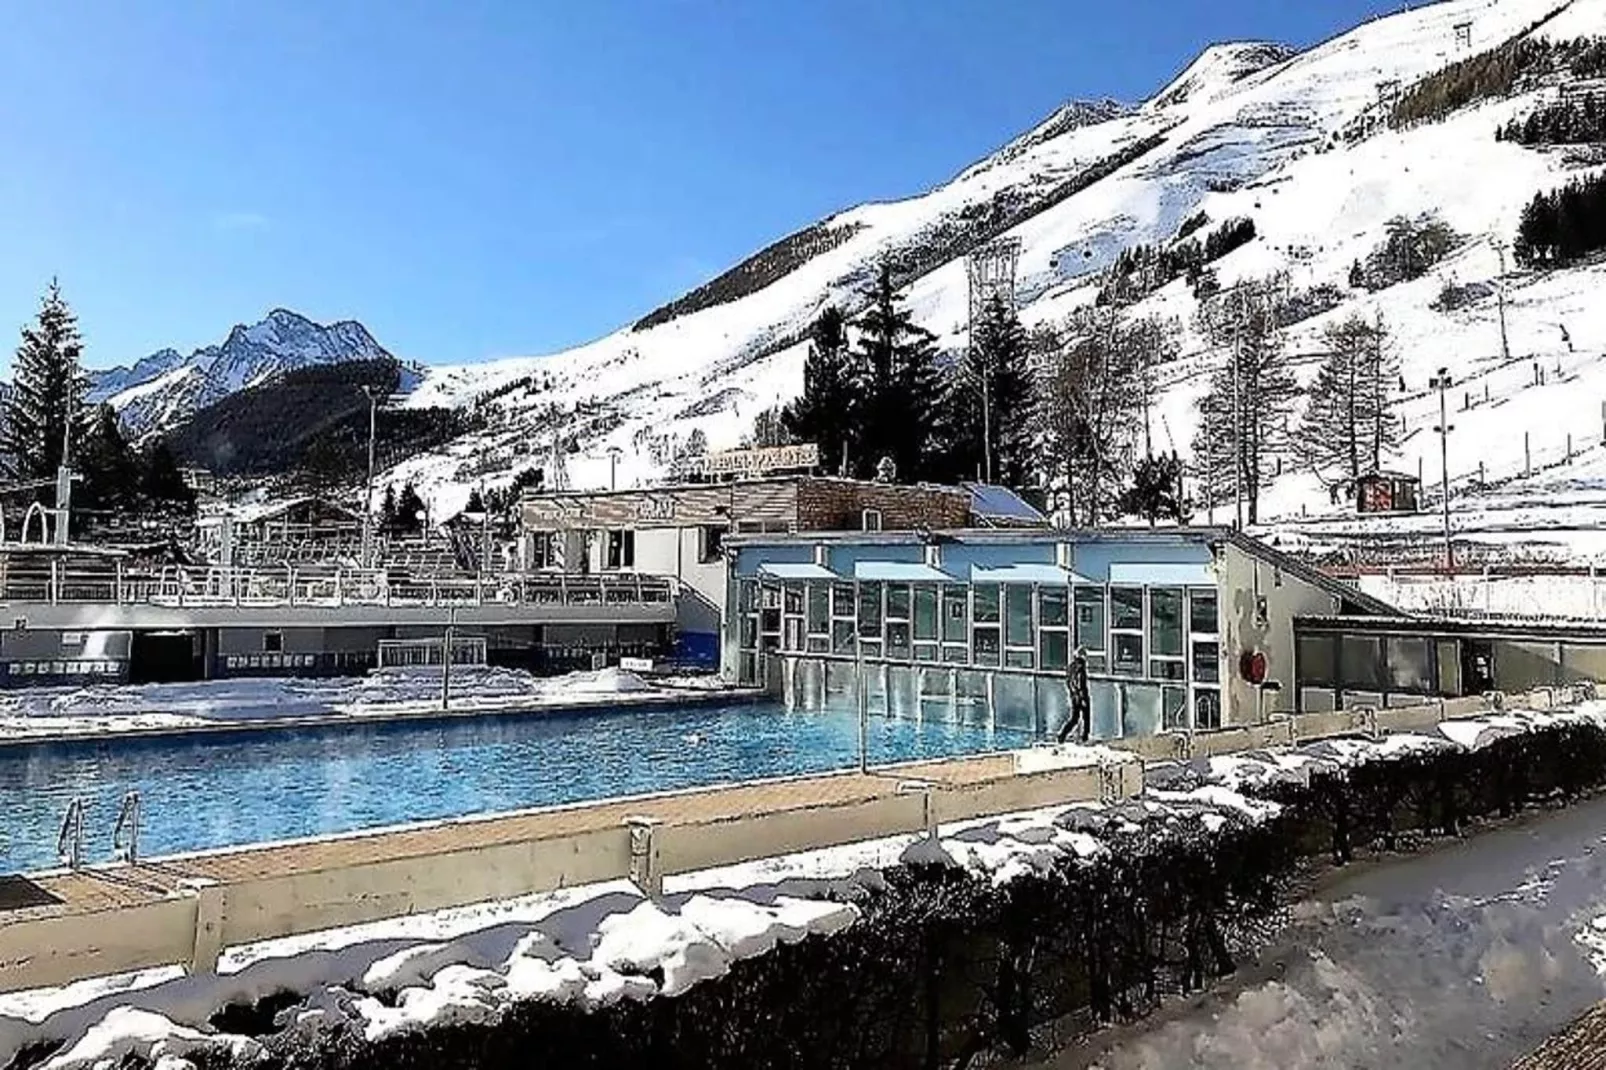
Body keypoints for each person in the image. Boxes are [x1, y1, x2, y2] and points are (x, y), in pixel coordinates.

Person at [1057, 645, 1091, 745]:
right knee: (1086, 717)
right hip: (1081, 696)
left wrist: (1073, 694)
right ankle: (1085, 737)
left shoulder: (1071, 666)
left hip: (1073, 696)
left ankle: (1062, 735)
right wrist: (1082, 697)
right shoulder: (1081, 667)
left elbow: (1068, 681)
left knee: (1074, 718)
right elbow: (1080, 683)